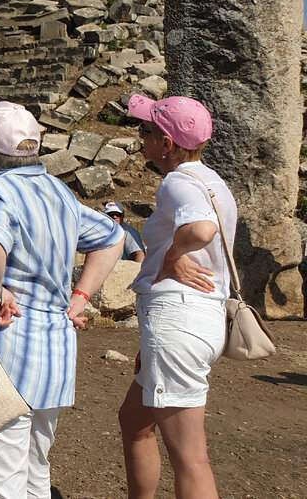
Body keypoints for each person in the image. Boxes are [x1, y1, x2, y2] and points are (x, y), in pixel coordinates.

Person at [0, 101, 123, 499]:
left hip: (2, 353)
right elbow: (111, 236)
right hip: (52, 350)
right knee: (35, 468)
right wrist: (80, 296)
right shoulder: (58, 191)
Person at [117, 94, 234, 499]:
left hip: (179, 321)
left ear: (166, 143)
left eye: (146, 130)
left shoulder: (178, 181)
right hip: (193, 320)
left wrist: (170, 256)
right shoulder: (212, 181)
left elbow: (201, 230)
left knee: (190, 457)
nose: (139, 136)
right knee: (133, 422)